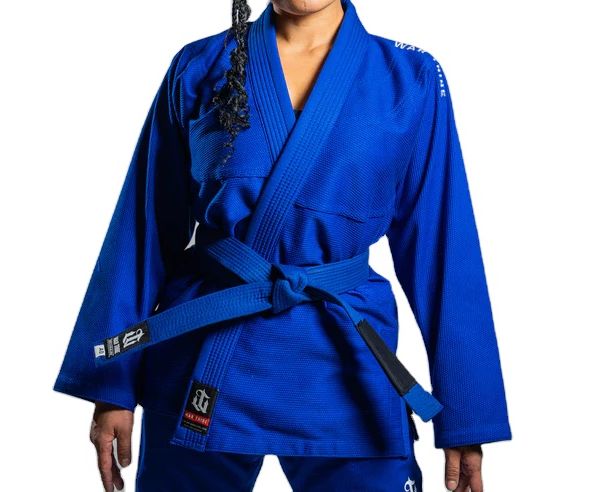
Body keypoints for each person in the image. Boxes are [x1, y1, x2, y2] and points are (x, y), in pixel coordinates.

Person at [54, 1, 512, 491]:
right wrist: (112, 386)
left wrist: (466, 416)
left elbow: (444, 249)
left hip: (346, 361)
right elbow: (142, 230)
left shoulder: (409, 78)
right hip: (207, 354)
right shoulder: (200, 66)